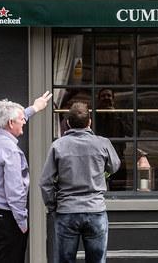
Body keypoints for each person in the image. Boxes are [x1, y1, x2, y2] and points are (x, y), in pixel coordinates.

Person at [0, 91, 53, 263]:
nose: (24, 121)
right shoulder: (11, 151)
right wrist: (22, 222)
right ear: (11, 123)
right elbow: (15, 190)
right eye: (21, 119)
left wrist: (34, 108)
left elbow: (11, 118)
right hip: (5, 218)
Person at [40, 101, 121, 263]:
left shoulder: (58, 146)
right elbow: (115, 166)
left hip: (67, 211)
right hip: (95, 209)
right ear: (89, 122)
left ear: (68, 123)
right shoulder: (102, 143)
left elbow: (45, 182)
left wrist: (52, 205)